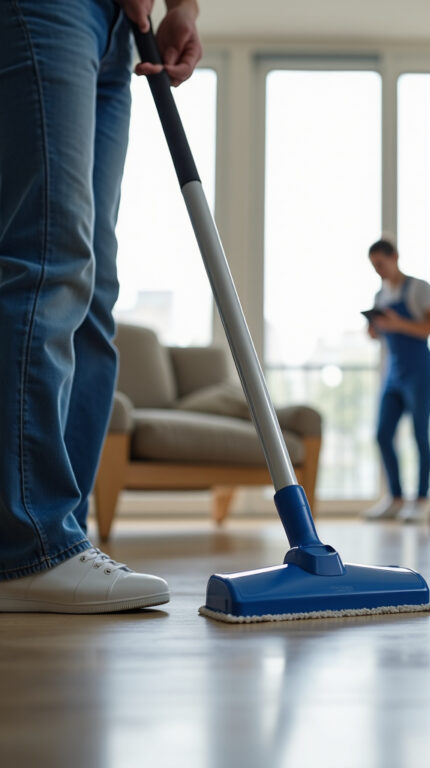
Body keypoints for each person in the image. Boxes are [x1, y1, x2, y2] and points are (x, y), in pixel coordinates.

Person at [0, 0, 202, 612]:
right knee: (48, 260)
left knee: (92, 288)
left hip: (118, 32)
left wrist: (183, 6)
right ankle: (28, 545)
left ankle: (64, 537)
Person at [363, 240, 430, 523]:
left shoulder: (419, 289)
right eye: (374, 267)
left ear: (394, 257)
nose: (379, 271)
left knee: (420, 435)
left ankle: (420, 500)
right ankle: (395, 498)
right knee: (382, 434)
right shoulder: (380, 296)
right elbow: (375, 335)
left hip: (420, 372)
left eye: (381, 264)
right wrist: (376, 328)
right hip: (393, 374)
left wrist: (398, 324)